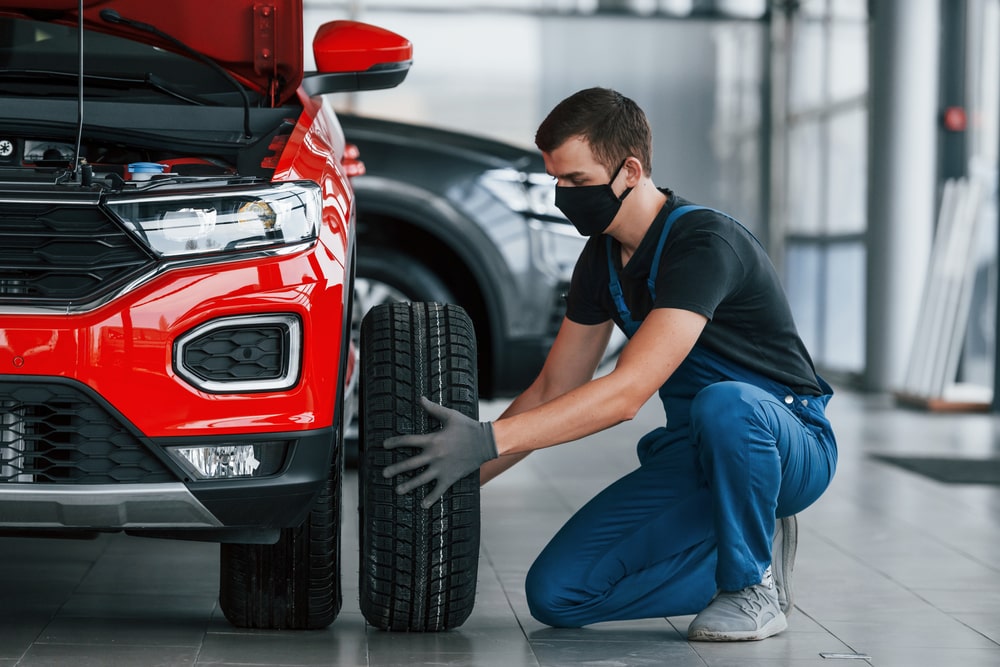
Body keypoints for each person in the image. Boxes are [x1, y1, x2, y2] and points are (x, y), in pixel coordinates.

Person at [383, 87, 837, 642]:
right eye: (555, 180)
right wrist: (451, 474)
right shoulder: (600, 259)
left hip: (787, 442)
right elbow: (555, 386)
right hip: (696, 453)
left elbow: (625, 395)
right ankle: (739, 560)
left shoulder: (703, 244)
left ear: (629, 170)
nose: (562, 197)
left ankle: (751, 587)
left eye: (575, 182)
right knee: (557, 593)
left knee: (727, 401)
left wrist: (488, 438)